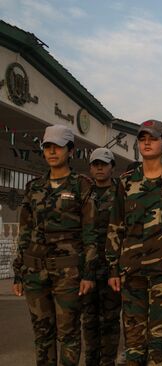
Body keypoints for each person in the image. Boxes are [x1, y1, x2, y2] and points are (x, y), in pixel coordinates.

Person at [106, 119, 162, 365]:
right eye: (142, 138)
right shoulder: (126, 182)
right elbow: (115, 226)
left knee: (159, 340)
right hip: (131, 271)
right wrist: (113, 267)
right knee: (133, 341)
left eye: (152, 138)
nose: (146, 142)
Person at [12, 124, 97, 365]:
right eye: (47, 147)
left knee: (68, 333)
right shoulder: (33, 188)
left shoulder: (82, 186)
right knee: (42, 333)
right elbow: (25, 232)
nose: (51, 152)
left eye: (57, 147)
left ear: (70, 150)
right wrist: (18, 272)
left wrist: (88, 274)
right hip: (35, 271)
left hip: (68, 273)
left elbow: (90, 234)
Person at [83, 148, 122, 366]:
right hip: (87, 270)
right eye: (95, 164)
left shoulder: (120, 194)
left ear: (112, 167)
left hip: (111, 270)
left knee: (110, 321)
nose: (99, 167)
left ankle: (108, 362)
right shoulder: (83, 193)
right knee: (89, 320)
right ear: (90, 167)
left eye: (104, 164)